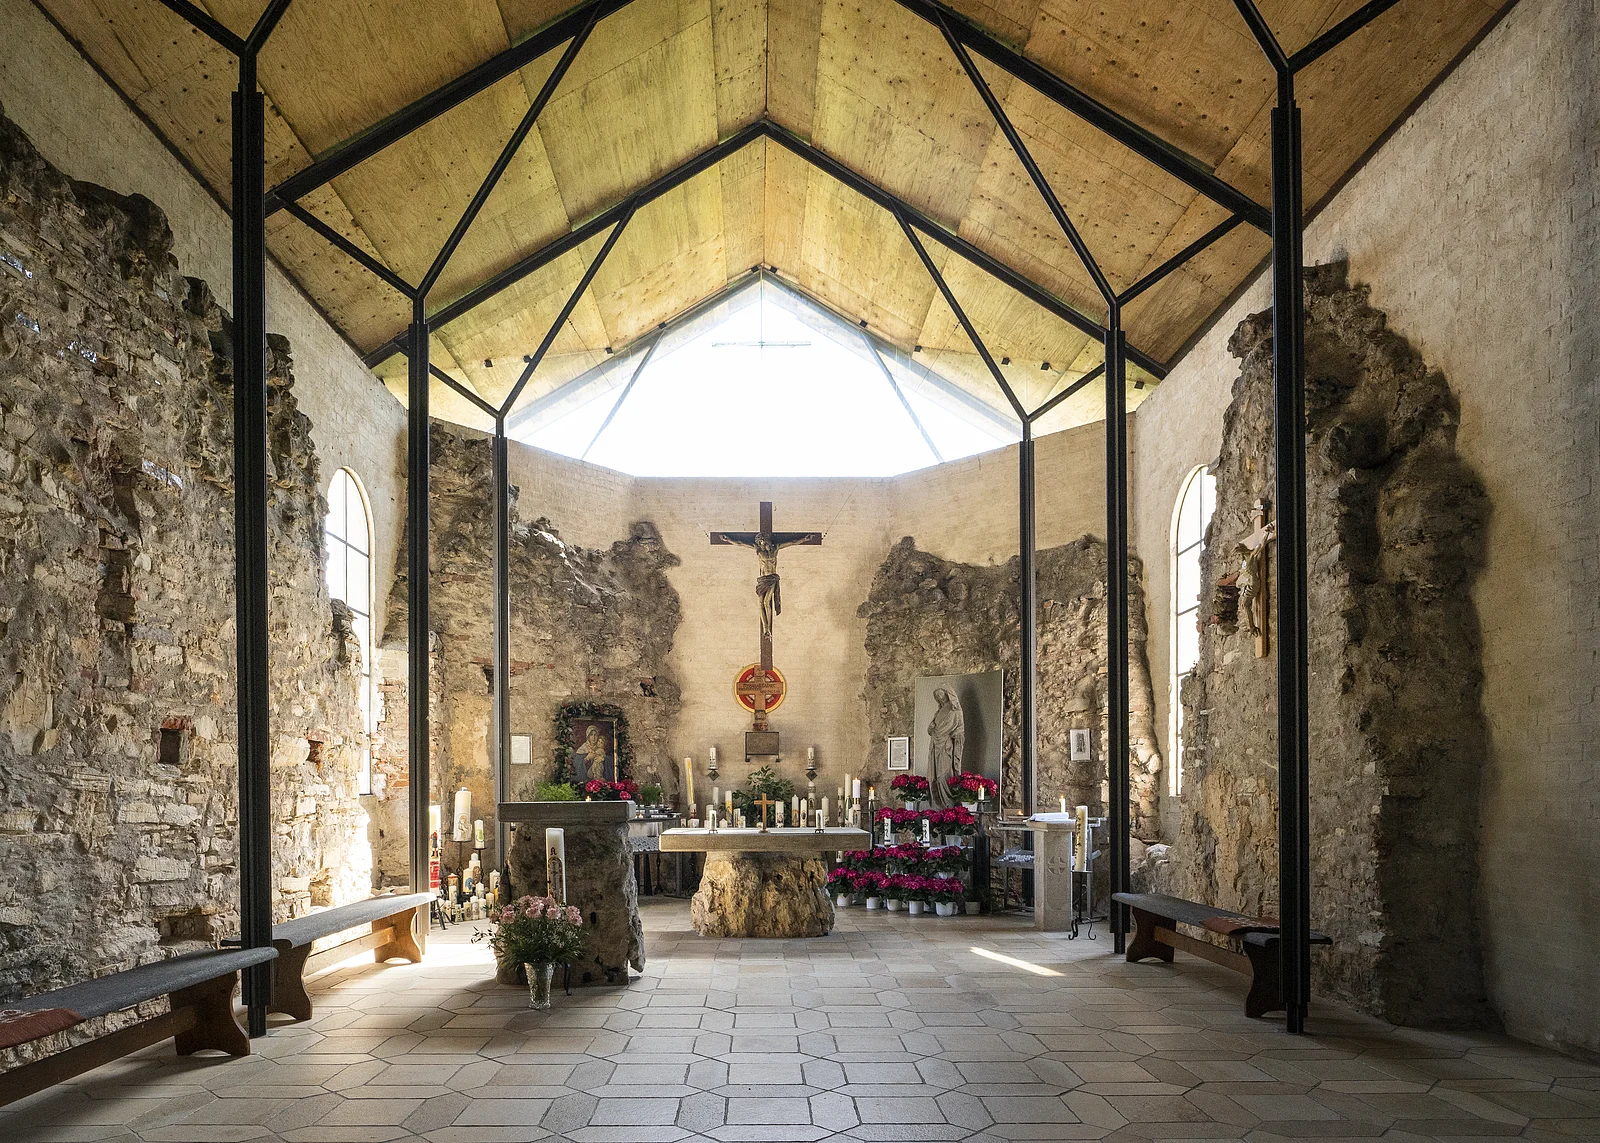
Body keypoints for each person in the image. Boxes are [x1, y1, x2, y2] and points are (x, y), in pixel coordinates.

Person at [927, 688, 965, 805]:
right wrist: (931, 728)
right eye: (937, 696)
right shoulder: (939, 712)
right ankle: (940, 803)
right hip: (935, 745)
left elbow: (959, 729)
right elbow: (931, 729)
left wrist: (954, 735)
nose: (940, 698)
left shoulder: (955, 711)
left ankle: (949, 803)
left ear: (948, 694)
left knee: (944, 774)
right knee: (936, 774)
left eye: (941, 695)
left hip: (946, 746)